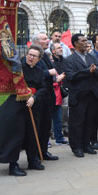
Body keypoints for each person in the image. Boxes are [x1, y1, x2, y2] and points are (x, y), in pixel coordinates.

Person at [0, 45, 48, 176]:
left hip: (32, 106)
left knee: (32, 134)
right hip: (16, 105)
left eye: (34, 56)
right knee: (15, 135)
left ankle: (32, 160)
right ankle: (13, 165)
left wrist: (34, 98)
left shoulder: (39, 71)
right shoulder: (18, 68)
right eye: (30, 54)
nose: (31, 57)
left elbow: (42, 88)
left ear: (39, 59)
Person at [64, 33, 98, 158]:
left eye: (86, 40)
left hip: (92, 94)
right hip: (78, 96)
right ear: (75, 43)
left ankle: (86, 144)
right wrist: (88, 71)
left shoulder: (91, 57)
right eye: (83, 41)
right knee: (77, 122)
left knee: (90, 121)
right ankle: (76, 147)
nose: (86, 43)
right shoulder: (69, 60)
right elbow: (71, 76)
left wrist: (95, 71)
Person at [32, 32, 62, 161]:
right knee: (39, 126)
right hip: (39, 97)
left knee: (46, 126)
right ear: (37, 42)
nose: (48, 40)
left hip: (48, 95)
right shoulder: (33, 55)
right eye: (44, 39)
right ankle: (36, 153)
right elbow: (32, 72)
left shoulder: (44, 54)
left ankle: (43, 151)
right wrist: (48, 73)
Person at [50, 42, 68, 145]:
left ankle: (60, 137)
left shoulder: (65, 61)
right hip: (53, 92)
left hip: (63, 91)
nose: (61, 49)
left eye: (61, 47)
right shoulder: (50, 62)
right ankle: (50, 136)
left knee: (60, 115)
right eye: (58, 48)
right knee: (51, 116)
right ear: (53, 51)